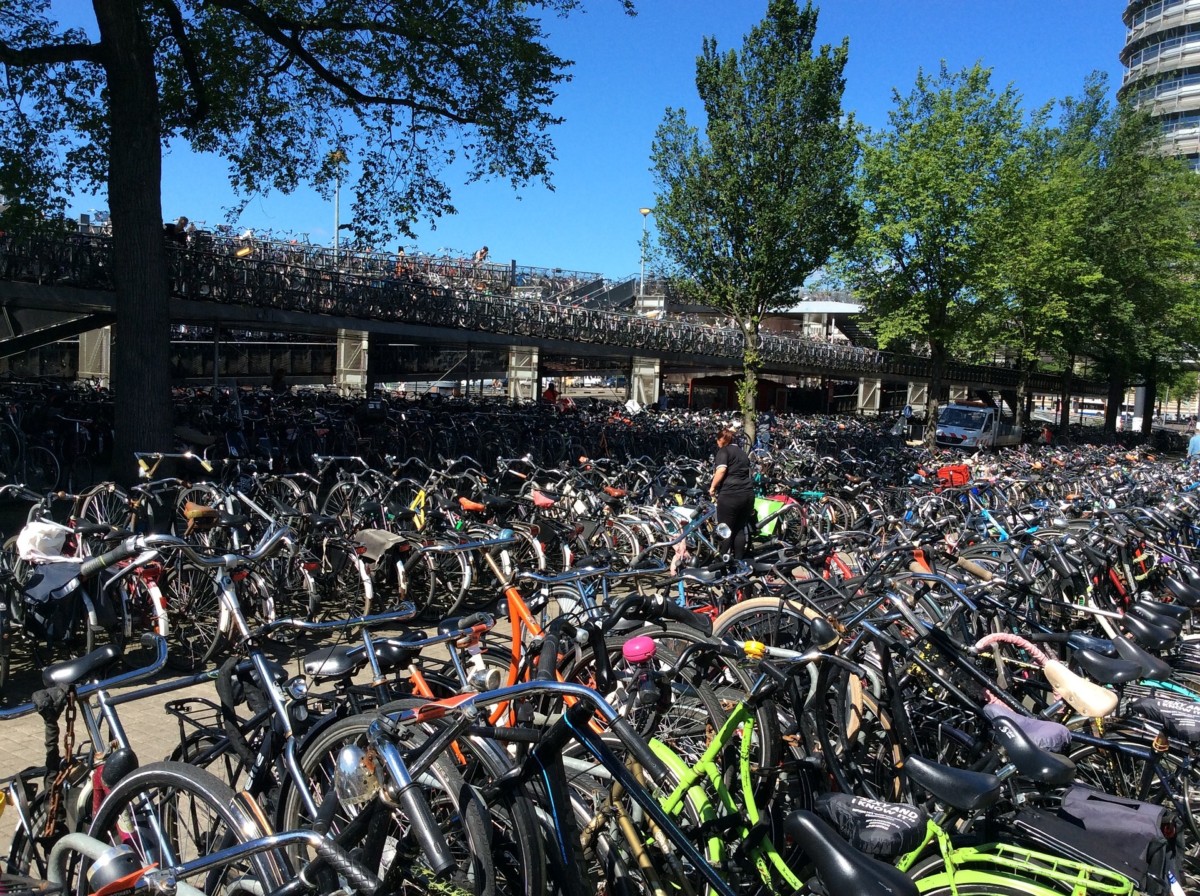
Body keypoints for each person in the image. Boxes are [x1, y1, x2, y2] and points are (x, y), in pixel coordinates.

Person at [708, 427, 755, 561]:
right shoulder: (742, 452)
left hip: (730, 495)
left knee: (725, 529)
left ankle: (722, 561)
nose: (717, 443)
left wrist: (712, 487)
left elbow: (721, 470)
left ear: (722, 440)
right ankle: (739, 562)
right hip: (747, 494)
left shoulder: (724, 451)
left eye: (717, 440)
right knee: (739, 529)